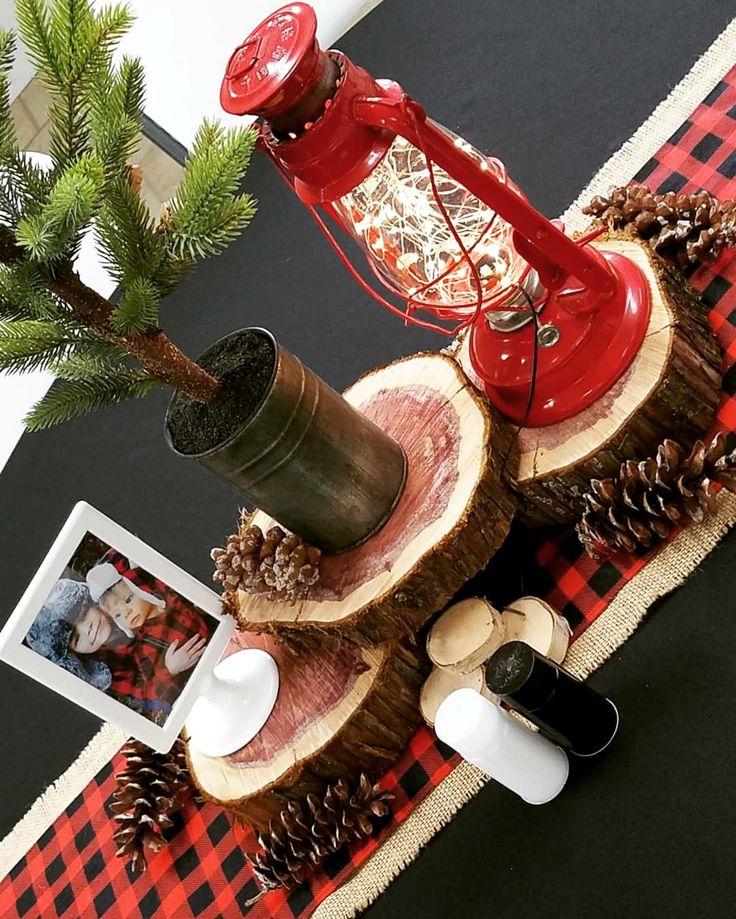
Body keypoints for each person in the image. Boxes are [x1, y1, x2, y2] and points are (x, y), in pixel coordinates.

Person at [85, 549, 214, 718]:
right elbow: (154, 690)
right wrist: (170, 669)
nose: (127, 613)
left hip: (221, 643)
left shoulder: (170, 599)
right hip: (200, 687)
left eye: (128, 600)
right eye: (117, 615)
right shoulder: (144, 646)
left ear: (138, 589)